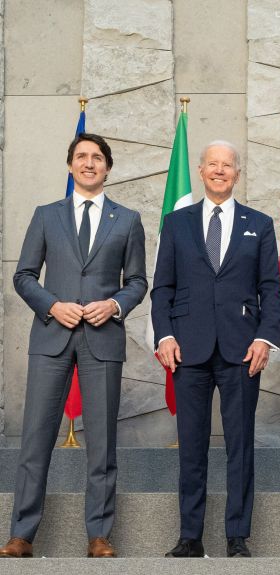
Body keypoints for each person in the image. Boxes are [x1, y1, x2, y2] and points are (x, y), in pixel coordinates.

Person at [0, 133, 147, 559]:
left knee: (102, 444)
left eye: (97, 158)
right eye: (81, 157)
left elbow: (137, 281)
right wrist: (52, 306)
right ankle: (22, 535)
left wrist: (115, 305)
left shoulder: (128, 220)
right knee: (35, 440)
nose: (89, 163)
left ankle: (99, 535)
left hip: (103, 339)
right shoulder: (46, 215)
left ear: (107, 167)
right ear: (70, 166)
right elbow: (24, 275)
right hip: (51, 337)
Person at [151, 141, 280, 558]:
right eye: (213, 165)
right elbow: (163, 289)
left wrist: (265, 337)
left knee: (240, 445)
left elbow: (270, 290)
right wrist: (164, 336)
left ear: (237, 174)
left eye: (228, 166)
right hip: (187, 350)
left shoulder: (259, 224)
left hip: (242, 349)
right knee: (191, 445)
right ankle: (190, 536)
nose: (220, 171)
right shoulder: (176, 223)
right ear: (202, 171)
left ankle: (237, 536)